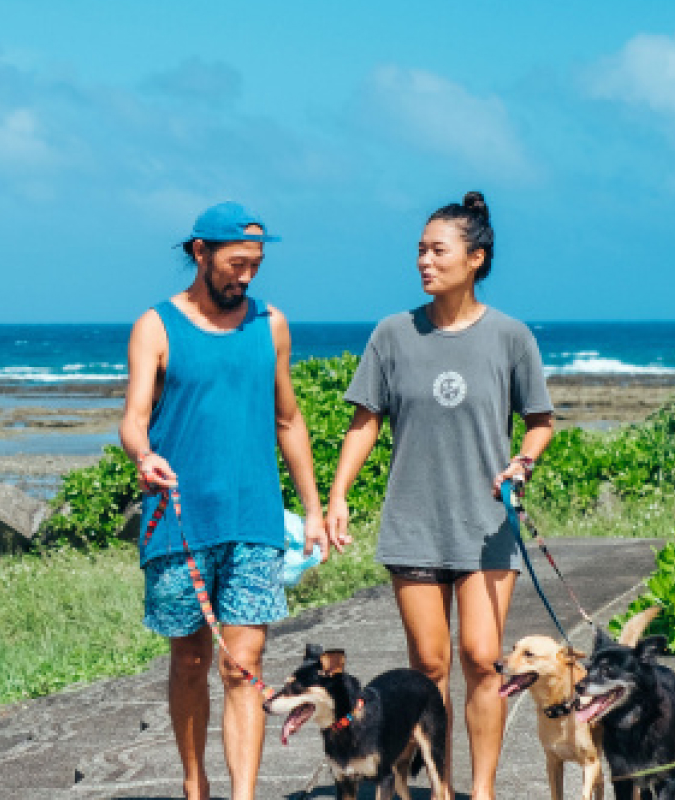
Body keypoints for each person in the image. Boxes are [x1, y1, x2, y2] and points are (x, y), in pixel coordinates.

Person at [325, 191, 553, 800]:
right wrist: (338, 494)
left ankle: (482, 790)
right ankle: (442, 787)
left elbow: (539, 420)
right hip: (414, 522)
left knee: (483, 658)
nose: (425, 261)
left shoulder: (511, 336)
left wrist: (523, 462)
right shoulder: (393, 334)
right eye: (420, 250)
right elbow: (365, 420)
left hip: (484, 525)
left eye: (438, 250)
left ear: (476, 258)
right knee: (428, 668)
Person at [121, 200, 331, 800]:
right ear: (199, 253)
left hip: (254, 522)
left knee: (244, 665)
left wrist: (313, 509)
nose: (245, 276)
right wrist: (144, 456)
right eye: (235, 263)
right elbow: (134, 420)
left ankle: (243, 794)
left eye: (255, 265)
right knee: (189, 659)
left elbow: (288, 422)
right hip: (178, 523)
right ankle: (195, 784)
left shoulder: (272, 325)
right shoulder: (156, 326)